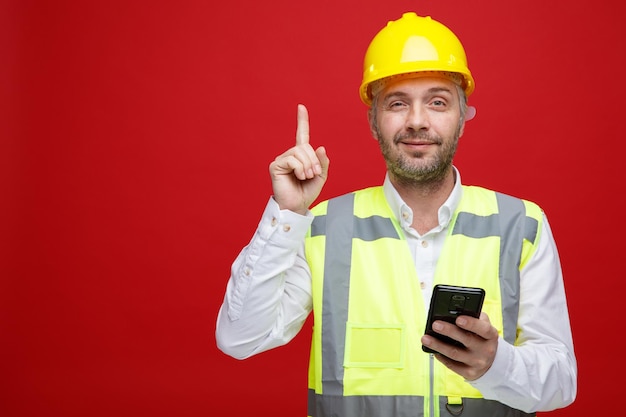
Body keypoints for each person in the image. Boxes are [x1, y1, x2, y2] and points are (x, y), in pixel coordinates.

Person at [215, 11, 577, 417]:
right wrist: (288, 212)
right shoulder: (321, 228)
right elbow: (240, 339)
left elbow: (561, 382)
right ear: (374, 121)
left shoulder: (522, 225)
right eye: (398, 103)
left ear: (462, 118)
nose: (417, 121)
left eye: (438, 102)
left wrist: (495, 364)